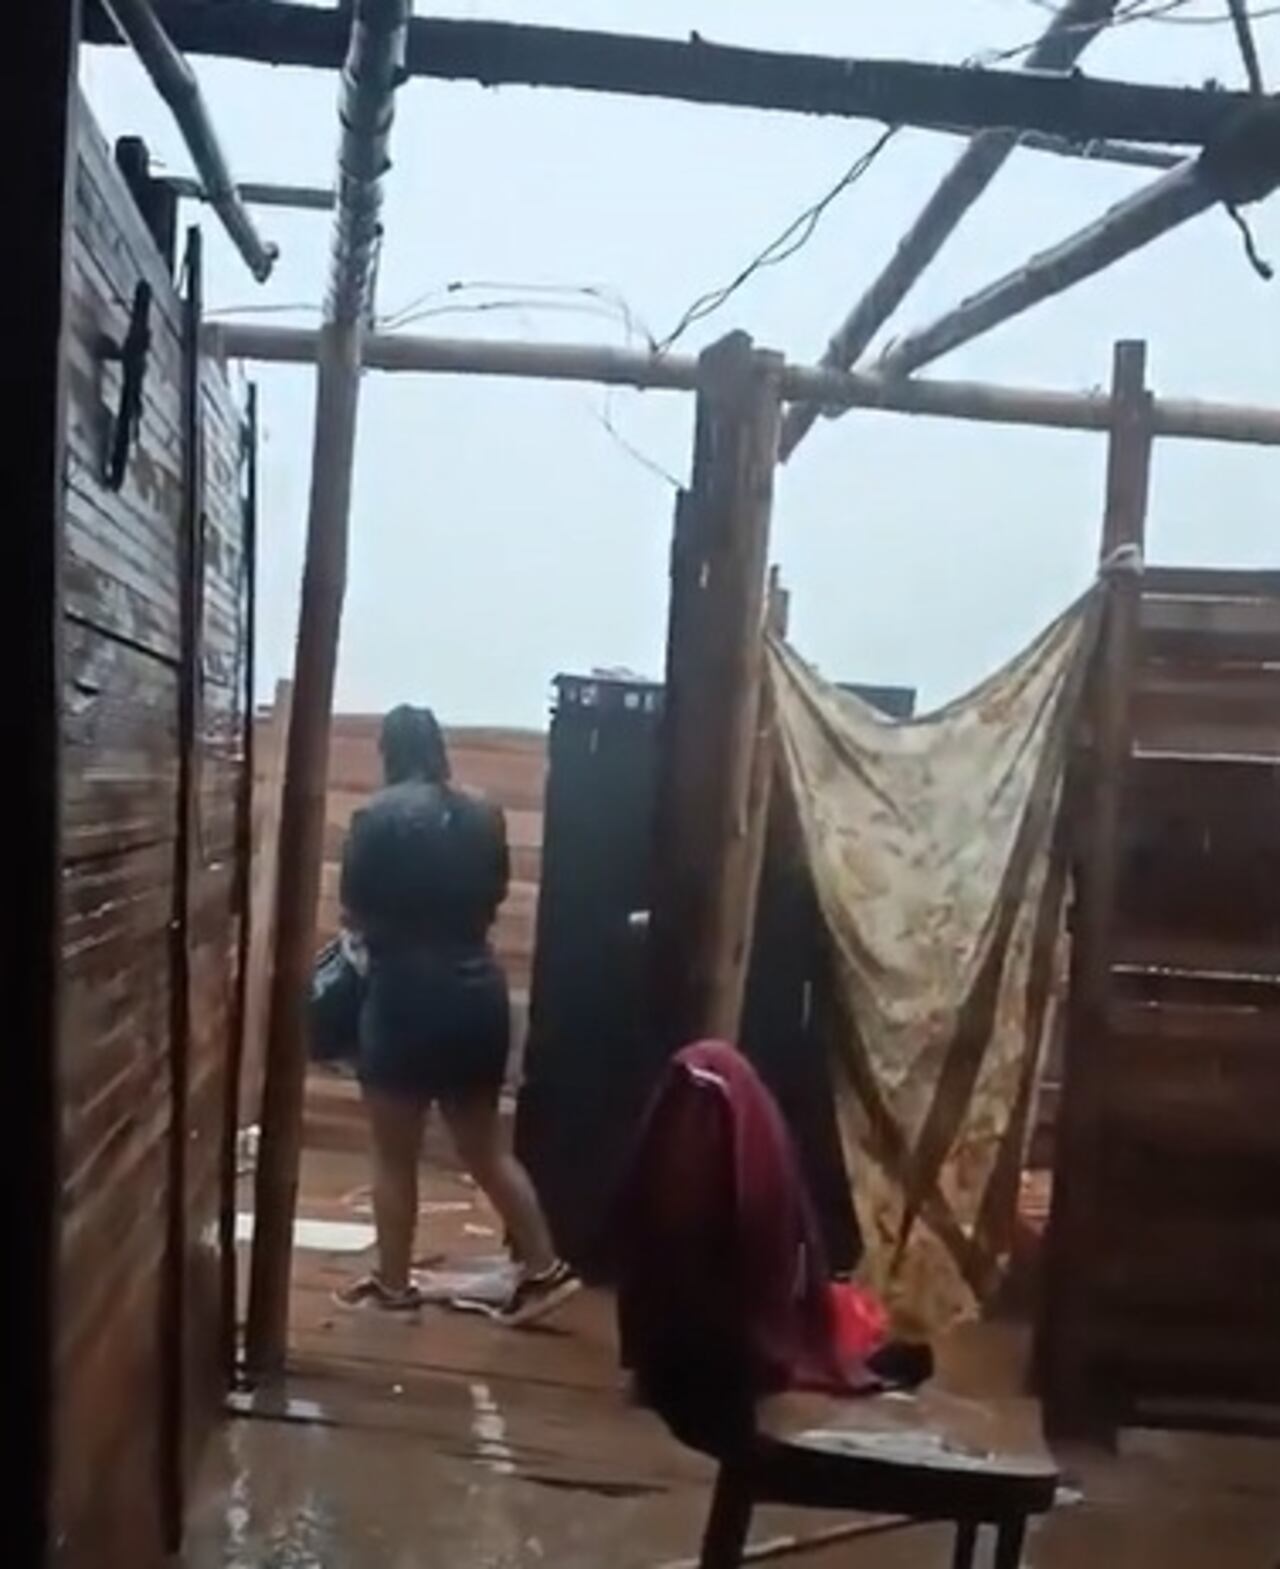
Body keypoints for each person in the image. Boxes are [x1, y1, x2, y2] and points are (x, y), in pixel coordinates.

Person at [334, 703, 579, 1325]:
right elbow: (494, 893)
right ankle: (545, 1269)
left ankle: (393, 1284)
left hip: (403, 997)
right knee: (485, 1150)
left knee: (393, 1154)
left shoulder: (375, 817)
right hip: (477, 992)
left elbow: (355, 907)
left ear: (389, 751)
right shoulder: (484, 814)